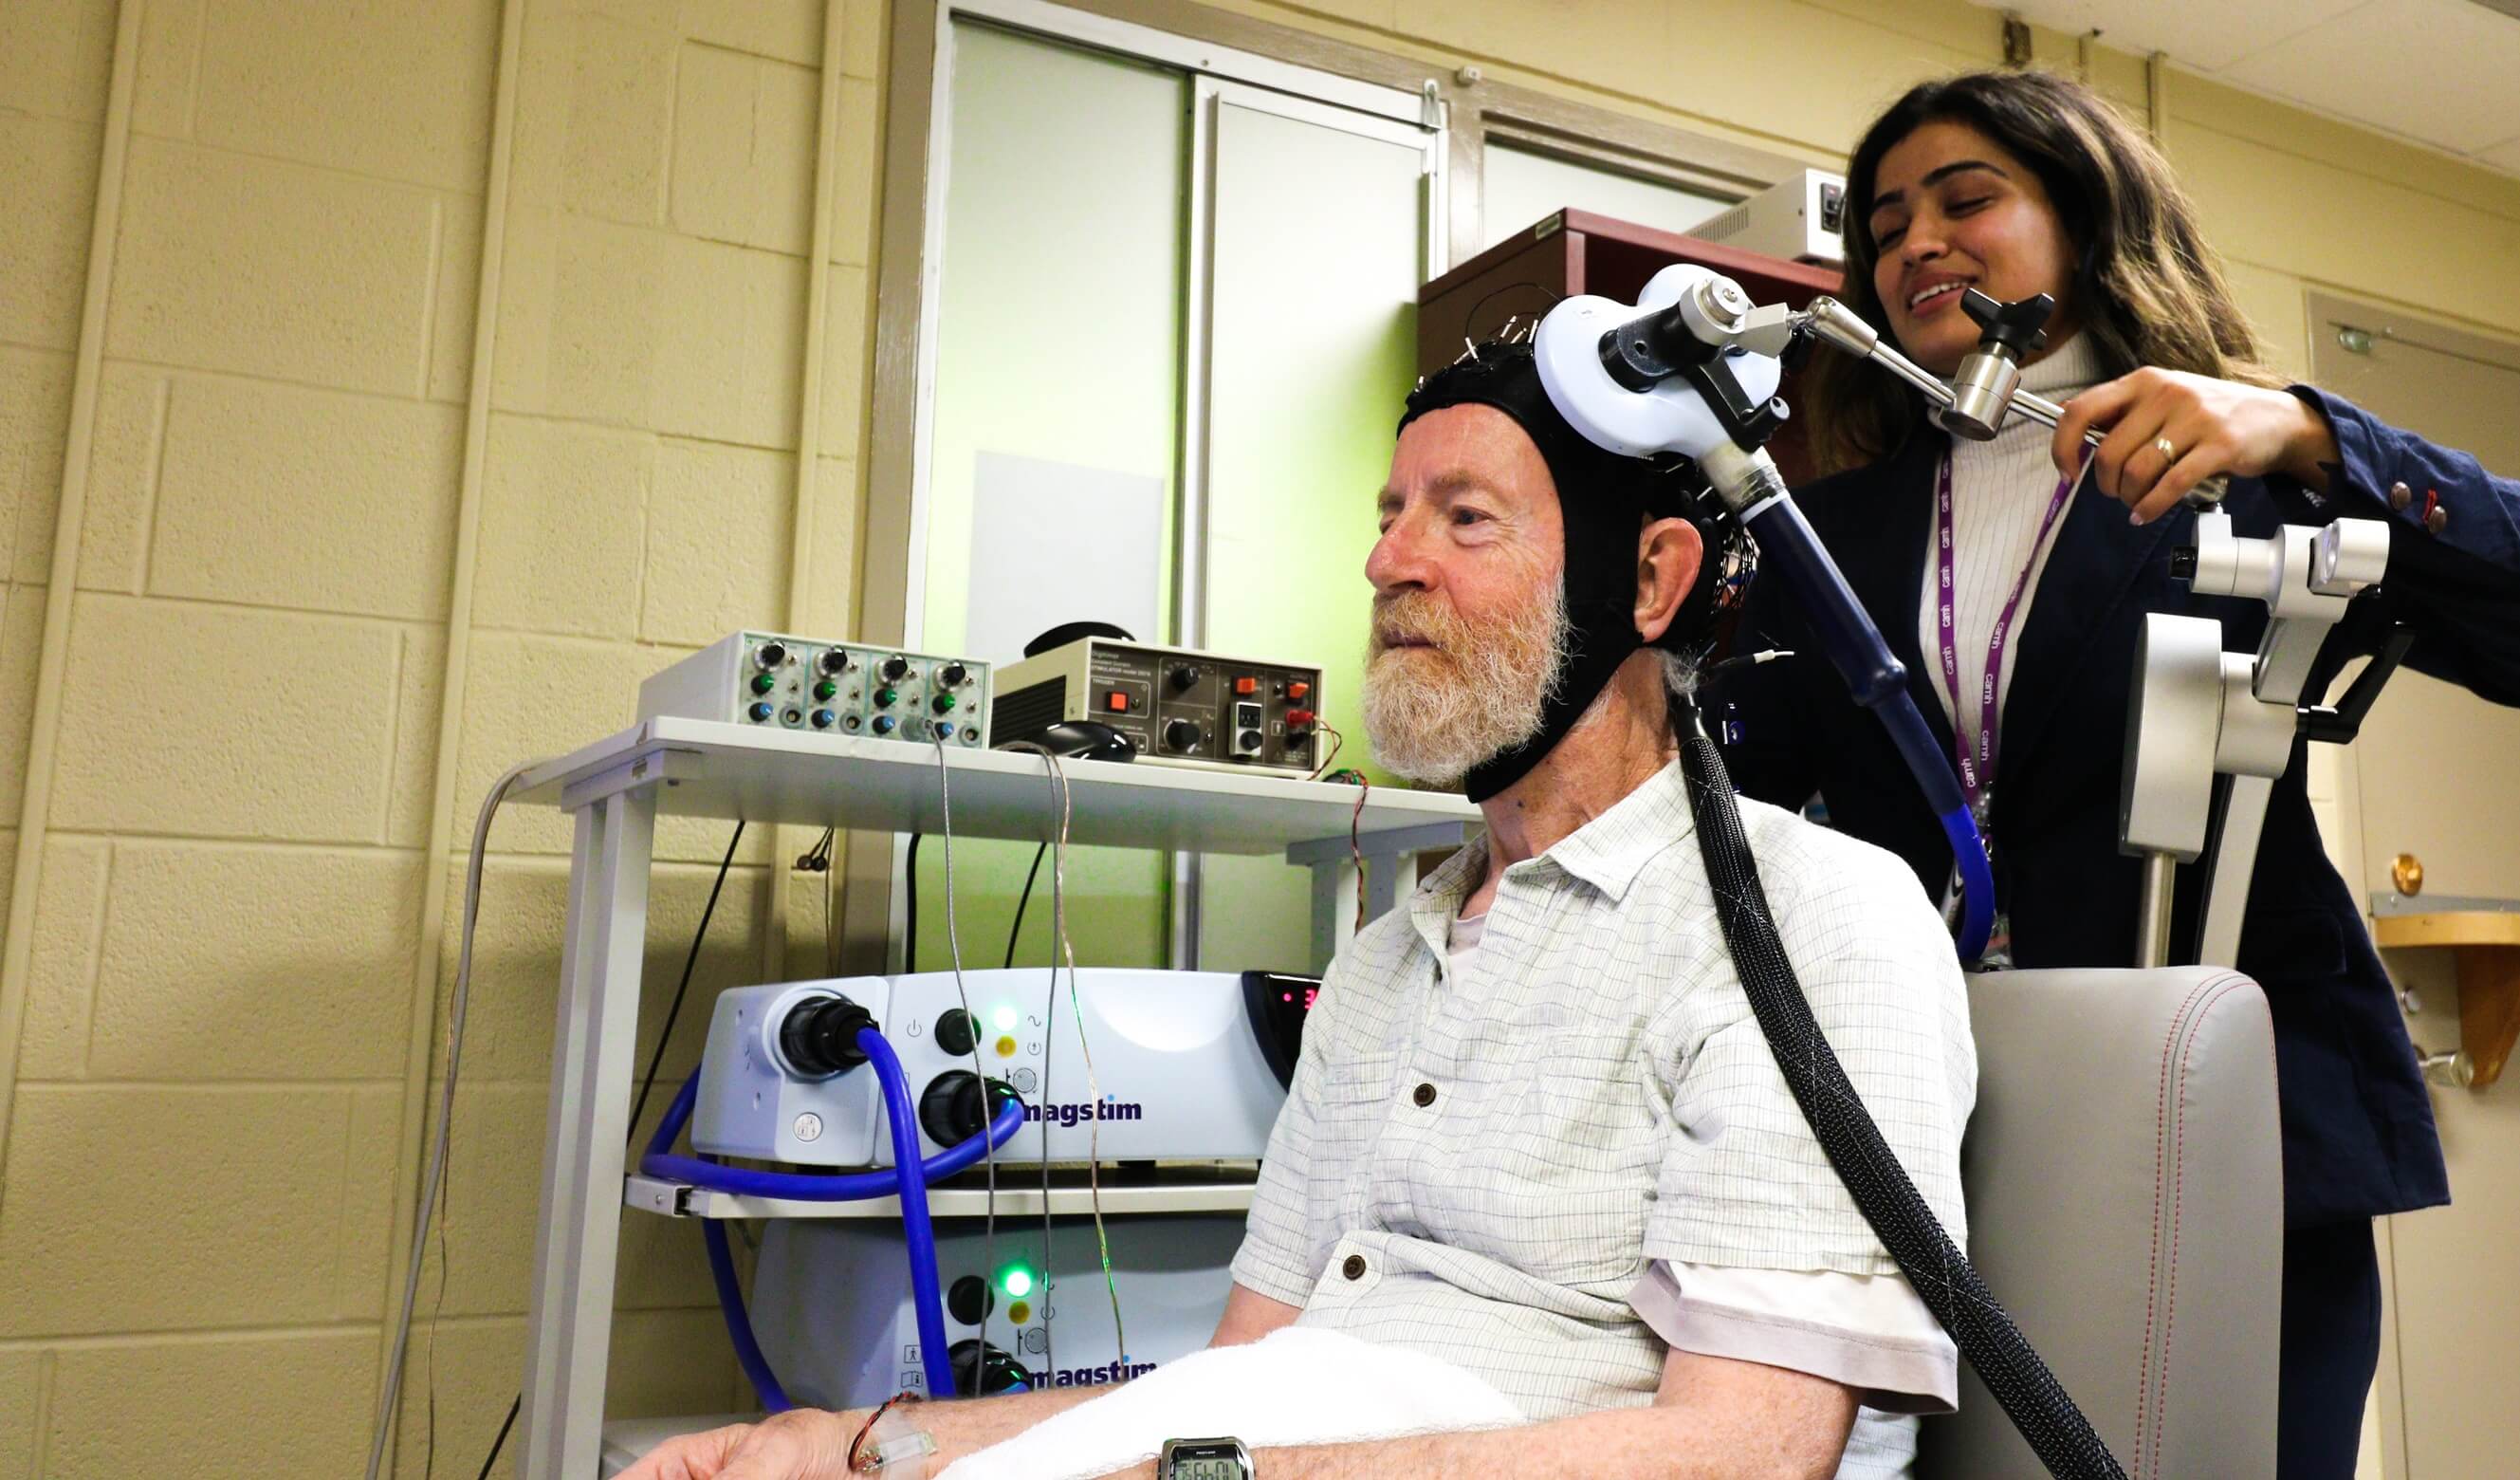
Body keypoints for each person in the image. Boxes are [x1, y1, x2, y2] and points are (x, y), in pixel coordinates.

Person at [614, 343, 1977, 1479]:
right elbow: (1242, 1387)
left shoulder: (1814, 923)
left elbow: (1745, 1456)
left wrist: (1198, 1478)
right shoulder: (1390, 961)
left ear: (1650, 578)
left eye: (1463, 516)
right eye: (1388, 515)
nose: (1391, 560)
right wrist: (868, 1445)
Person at [1716, 69, 2520, 1479]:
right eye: (1887, 223)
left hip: (2234, 1125)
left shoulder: (2252, 471)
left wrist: (2320, 433)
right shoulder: (1825, 531)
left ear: (2092, 229)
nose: (1915, 243)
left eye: (1969, 200)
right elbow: (1739, 795)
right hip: (1939, 1122)